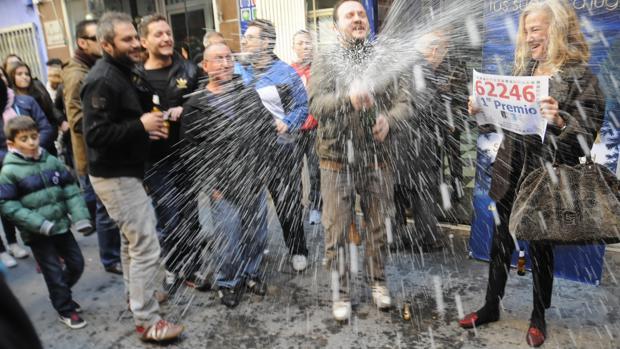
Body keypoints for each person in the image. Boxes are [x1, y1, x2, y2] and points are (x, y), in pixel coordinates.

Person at [458, 1, 605, 347]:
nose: (528, 36)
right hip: (510, 170)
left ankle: (538, 316)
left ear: (557, 30)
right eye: (526, 30)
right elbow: (501, 121)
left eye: (535, 29)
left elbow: (585, 137)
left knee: (540, 247)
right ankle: (491, 304)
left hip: (547, 176)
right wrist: (479, 111)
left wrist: (560, 121)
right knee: (500, 241)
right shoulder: (523, 71)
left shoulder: (581, 77)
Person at [81, 12, 183, 342]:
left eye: (135, 37)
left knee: (131, 244)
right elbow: (95, 136)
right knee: (145, 247)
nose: (136, 43)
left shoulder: (124, 71)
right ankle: (148, 321)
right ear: (106, 44)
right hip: (115, 177)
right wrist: (140, 126)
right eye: (127, 39)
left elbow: (127, 118)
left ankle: (137, 297)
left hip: (127, 172)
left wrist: (147, 125)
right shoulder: (102, 79)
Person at [309, 0, 410, 320]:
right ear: (337, 25)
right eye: (349, 15)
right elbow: (316, 105)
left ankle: (378, 282)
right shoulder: (325, 59)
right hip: (336, 159)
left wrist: (390, 120)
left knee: (379, 226)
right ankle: (341, 292)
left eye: (361, 14)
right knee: (336, 230)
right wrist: (347, 100)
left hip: (377, 159)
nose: (357, 19)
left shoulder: (383, 58)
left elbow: (405, 101)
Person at [180, 42, 274, 308]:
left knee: (256, 236)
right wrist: (209, 186)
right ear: (205, 66)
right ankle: (227, 282)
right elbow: (190, 151)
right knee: (228, 240)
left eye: (228, 58)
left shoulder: (247, 94)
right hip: (222, 186)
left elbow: (265, 131)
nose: (224, 63)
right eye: (217, 59)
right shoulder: (196, 105)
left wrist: (264, 170)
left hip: (252, 179)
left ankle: (251, 273)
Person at [0, 116, 93, 329]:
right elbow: (7, 205)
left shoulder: (50, 160)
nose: (32, 142)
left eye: (34, 136)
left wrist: (80, 218)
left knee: (76, 263)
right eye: (24, 139)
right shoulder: (9, 171)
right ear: (12, 144)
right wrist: (39, 223)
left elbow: (70, 189)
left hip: (61, 225)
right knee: (53, 272)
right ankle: (65, 309)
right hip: (38, 234)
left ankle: (61, 293)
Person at [135, 14, 200, 292]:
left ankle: (194, 268)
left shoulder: (189, 70)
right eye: (158, 34)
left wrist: (186, 110)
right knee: (168, 215)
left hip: (186, 155)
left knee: (190, 213)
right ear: (144, 40)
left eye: (168, 33)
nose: (166, 38)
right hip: (154, 159)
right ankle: (173, 267)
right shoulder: (135, 76)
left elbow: (205, 99)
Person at [239, 19, 310, 272]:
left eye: (250, 37)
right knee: (249, 205)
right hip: (248, 152)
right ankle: (255, 254)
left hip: (280, 150)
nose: (244, 41)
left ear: (266, 42)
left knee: (286, 202)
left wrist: (288, 122)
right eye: (244, 37)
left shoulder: (285, 72)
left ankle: (298, 249)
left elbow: (303, 106)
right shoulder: (239, 70)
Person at [392, 28, 469, 251]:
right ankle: (428, 238)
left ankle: (394, 238)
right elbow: (424, 107)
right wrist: (447, 120)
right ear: (434, 51)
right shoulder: (422, 67)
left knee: (396, 194)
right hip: (416, 144)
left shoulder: (403, 63)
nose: (441, 61)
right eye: (441, 55)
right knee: (423, 192)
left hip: (397, 142)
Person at [63, 19, 123, 275]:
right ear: (82, 42)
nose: (102, 42)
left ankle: (113, 254)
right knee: (105, 209)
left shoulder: (94, 67)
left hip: (103, 151)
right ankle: (110, 258)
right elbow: (76, 120)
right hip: (92, 154)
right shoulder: (78, 75)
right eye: (95, 37)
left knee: (108, 208)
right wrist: (110, 121)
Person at [291, 29, 322, 226]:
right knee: (294, 171)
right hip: (294, 129)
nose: (305, 46)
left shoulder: (321, 68)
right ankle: (294, 208)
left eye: (308, 42)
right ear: (294, 48)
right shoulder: (288, 71)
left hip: (316, 128)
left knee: (315, 170)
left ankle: (316, 207)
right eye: (300, 43)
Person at [6, 62, 60, 154]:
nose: (25, 77)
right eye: (19, 74)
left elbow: (50, 117)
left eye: (27, 74)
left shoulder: (39, 94)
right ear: (11, 77)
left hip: (45, 146)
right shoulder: (10, 101)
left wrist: (37, 145)